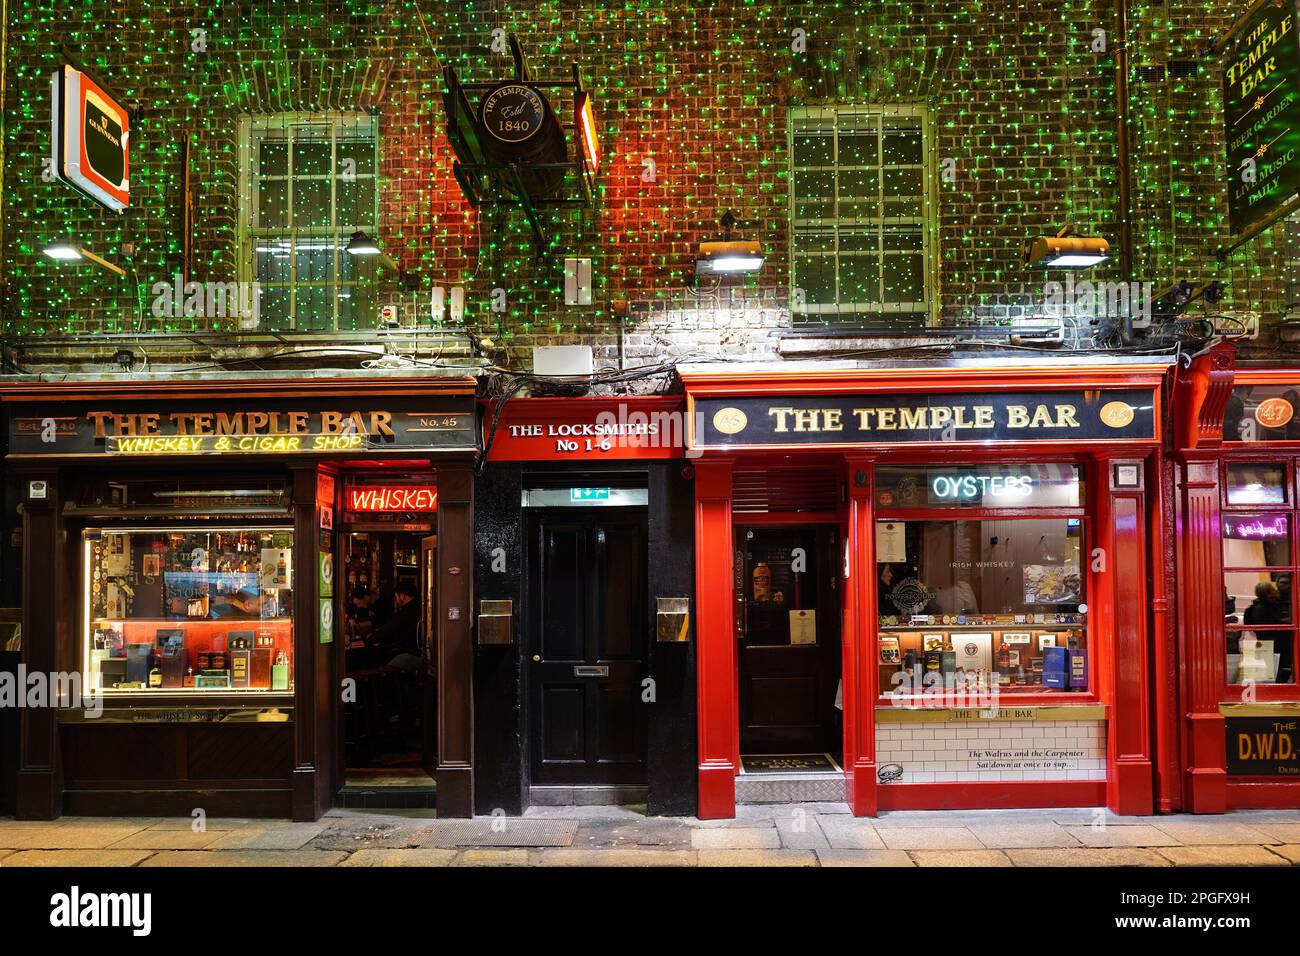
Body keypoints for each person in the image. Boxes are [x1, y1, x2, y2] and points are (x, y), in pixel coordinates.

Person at [372, 580, 421, 671]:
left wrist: (372, 638)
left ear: (402, 596)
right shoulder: (421, 606)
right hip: (420, 653)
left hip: (411, 653)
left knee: (386, 670)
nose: (397, 600)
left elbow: (390, 629)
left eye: (396, 597)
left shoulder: (407, 611)